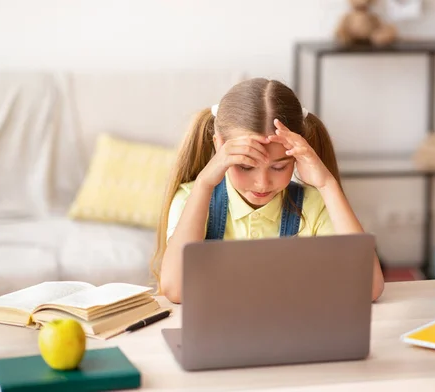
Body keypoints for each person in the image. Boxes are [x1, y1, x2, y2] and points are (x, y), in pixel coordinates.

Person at [152, 78, 384, 304]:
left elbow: (368, 288)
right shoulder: (192, 198)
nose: (262, 183)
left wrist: (327, 184)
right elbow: (175, 289)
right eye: (245, 166)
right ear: (219, 146)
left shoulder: (314, 203)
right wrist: (204, 183)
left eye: (279, 166)